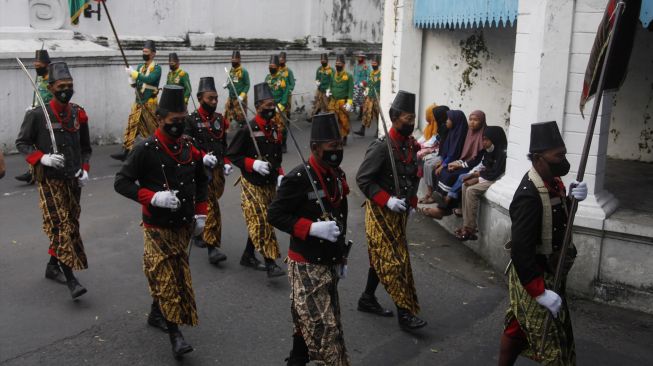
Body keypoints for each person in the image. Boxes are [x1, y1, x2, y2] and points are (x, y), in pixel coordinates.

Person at [114, 85, 208, 359]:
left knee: (175, 275)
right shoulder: (145, 148)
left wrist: (201, 213)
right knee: (168, 279)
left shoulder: (189, 146)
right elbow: (121, 182)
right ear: (159, 119)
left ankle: (157, 312)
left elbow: (201, 179)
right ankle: (175, 334)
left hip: (183, 225)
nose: (179, 126)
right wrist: (152, 198)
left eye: (183, 120)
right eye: (173, 122)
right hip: (156, 227)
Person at [498, 121, 587, 366]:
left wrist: (573, 200)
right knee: (556, 353)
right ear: (539, 158)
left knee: (517, 328)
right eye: (558, 156)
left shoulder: (553, 182)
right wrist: (539, 293)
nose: (563, 160)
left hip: (552, 272)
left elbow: (557, 221)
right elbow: (521, 250)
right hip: (534, 276)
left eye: (564, 154)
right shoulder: (528, 195)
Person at [269, 112, 351, 366]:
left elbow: (341, 214)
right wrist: (311, 228)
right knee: (326, 332)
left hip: (329, 260)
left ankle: (297, 359)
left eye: (339, 145)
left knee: (313, 323)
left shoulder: (336, 173)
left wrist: (341, 255)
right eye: (331, 146)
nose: (336, 151)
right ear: (315, 148)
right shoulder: (298, 178)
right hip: (306, 263)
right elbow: (275, 214)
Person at [16, 61, 91, 299]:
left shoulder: (78, 113)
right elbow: (22, 143)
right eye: (61, 85)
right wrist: (42, 158)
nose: (66, 89)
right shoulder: (38, 115)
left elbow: (85, 147)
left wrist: (85, 169)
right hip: (50, 180)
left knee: (71, 221)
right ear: (50, 87)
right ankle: (71, 280)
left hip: (73, 178)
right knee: (60, 226)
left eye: (69, 85)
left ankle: (52, 266)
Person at [356, 90, 427, 331]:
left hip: (400, 214)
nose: (411, 122)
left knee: (382, 258)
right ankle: (404, 313)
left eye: (413, 118)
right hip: (380, 212)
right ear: (395, 117)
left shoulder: (410, 145)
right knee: (396, 262)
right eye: (407, 118)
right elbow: (363, 179)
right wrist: (387, 200)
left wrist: (412, 201)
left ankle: (367, 298)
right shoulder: (381, 147)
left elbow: (413, 176)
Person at [226, 82, 285, 278]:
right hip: (252, 183)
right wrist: (253, 164)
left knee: (262, 220)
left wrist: (280, 174)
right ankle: (271, 263)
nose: (271, 109)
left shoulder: (276, 128)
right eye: (267, 106)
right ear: (258, 106)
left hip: (269, 183)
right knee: (260, 221)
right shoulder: (248, 129)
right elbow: (233, 154)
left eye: (273, 105)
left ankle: (248, 255)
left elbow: (277, 157)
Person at [184, 77, 232, 264]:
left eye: (216, 98)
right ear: (200, 97)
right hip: (200, 172)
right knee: (212, 206)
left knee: (208, 202)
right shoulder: (191, 120)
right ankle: (213, 248)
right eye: (210, 98)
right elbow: (187, 145)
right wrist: (201, 156)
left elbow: (223, 144)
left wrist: (226, 161)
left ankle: (196, 228)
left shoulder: (220, 119)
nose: (213, 102)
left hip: (218, 171)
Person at [453, 126, 507, 240]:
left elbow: (494, 174)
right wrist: (473, 175)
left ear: (495, 139)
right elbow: (484, 166)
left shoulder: (503, 153)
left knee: (471, 191)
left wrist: (476, 178)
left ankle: (470, 229)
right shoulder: (489, 151)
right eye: (483, 139)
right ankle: (466, 221)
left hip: (496, 180)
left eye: (486, 140)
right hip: (487, 177)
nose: (483, 143)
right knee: (464, 185)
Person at [111, 40, 161, 161]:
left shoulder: (157, 68)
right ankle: (126, 151)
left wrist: (134, 74)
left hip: (149, 103)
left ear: (153, 53)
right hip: (138, 102)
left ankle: (158, 150)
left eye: (147, 52)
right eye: (143, 51)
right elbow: (137, 83)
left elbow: (149, 79)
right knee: (131, 125)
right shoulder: (140, 67)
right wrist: (132, 81)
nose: (144, 53)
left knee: (151, 127)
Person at [16, 49, 53, 184]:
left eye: (39, 66)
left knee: (42, 145)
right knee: (32, 143)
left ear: (46, 65)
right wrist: (33, 106)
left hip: (48, 116)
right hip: (37, 114)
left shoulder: (52, 79)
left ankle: (37, 172)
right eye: (35, 66)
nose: (37, 69)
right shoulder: (40, 78)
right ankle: (32, 171)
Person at [418, 104, 449, 204]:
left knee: (430, 165)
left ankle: (432, 194)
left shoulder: (446, 128)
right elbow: (435, 139)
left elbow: (438, 143)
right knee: (426, 163)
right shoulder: (440, 127)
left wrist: (444, 162)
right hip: (440, 152)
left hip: (445, 155)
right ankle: (429, 192)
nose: (434, 120)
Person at [327, 54, 353, 145]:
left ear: (343, 64)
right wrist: (328, 90)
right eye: (336, 63)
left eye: (339, 63)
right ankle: (335, 138)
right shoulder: (333, 74)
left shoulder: (349, 76)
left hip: (343, 102)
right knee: (332, 120)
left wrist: (349, 102)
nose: (337, 65)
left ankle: (344, 136)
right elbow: (330, 84)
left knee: (343, 121)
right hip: (333, 101)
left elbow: (350, 90)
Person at [265, 55, 290, 153]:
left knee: (281, 127)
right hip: (270, 106)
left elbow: (286, 92)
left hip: (280, 106)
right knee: (270, 126)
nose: (271, 68)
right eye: (270, 66)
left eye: (273, 66)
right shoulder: (267, 78)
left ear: (277, 66)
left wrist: (282, 104)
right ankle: (273, 143)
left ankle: (283, 143)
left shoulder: (282, 78)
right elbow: (265, 91)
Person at [354, 54, 380, 137]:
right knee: (366, 112)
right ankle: (362, 129)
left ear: (378, 64)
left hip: (377, 97)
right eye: (372, 63)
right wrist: (366, 90)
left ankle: (378, 130)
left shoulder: (380, 74)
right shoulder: (371, 73)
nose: (373, 64)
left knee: (377, 114)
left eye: (375, 63)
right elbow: (369, 82)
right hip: (369, 95)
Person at [224, 50, 250, 128]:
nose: (233, 61)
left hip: (240, 99)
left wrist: (242, 96)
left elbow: (247, 85)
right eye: (232, 59)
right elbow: (230, 82)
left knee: (241, 118)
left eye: (235, 60)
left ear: (239, 60)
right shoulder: (231, 70)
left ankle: (243, 133)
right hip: (231, 98)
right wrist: (226, 84)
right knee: (227, 116)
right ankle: (226, 132)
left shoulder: (244, 71)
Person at [309, 53, 332, 120]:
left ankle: (330, 118)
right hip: (319, 89)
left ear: (327, 60)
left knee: (326, 105)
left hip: (326, 91)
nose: (323, 61)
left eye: (324, 59)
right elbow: (317, 78)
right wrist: (317, 82)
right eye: (322, 59)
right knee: (316, 102)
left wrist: (329, 89)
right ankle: (312, 116)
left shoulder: (331, 70)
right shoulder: (319, 69)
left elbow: (332, 80)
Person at [352, 51, 370, 121]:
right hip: (356, 85)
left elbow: (369, 76)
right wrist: (353, 82)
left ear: (363, 58)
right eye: (358, 57)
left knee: (362, 101)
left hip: (363, 86)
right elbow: (354, 75)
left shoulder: (366, 66)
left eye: (360, 57)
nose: (359, 58)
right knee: (355, 100)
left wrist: (364, 82)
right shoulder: (356, 66)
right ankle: (357, 112)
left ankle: (361, 114)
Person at [278, 51, 295, 118]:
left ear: (285, 61)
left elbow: (292, 83)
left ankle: (288, 123)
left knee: (287, 109)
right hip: (279, 93)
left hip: (287, 93)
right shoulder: (277, 70)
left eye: (282, 60)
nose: (281, 61)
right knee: (279, 108)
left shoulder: (289, 71)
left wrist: (290, 89)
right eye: (279, 60)